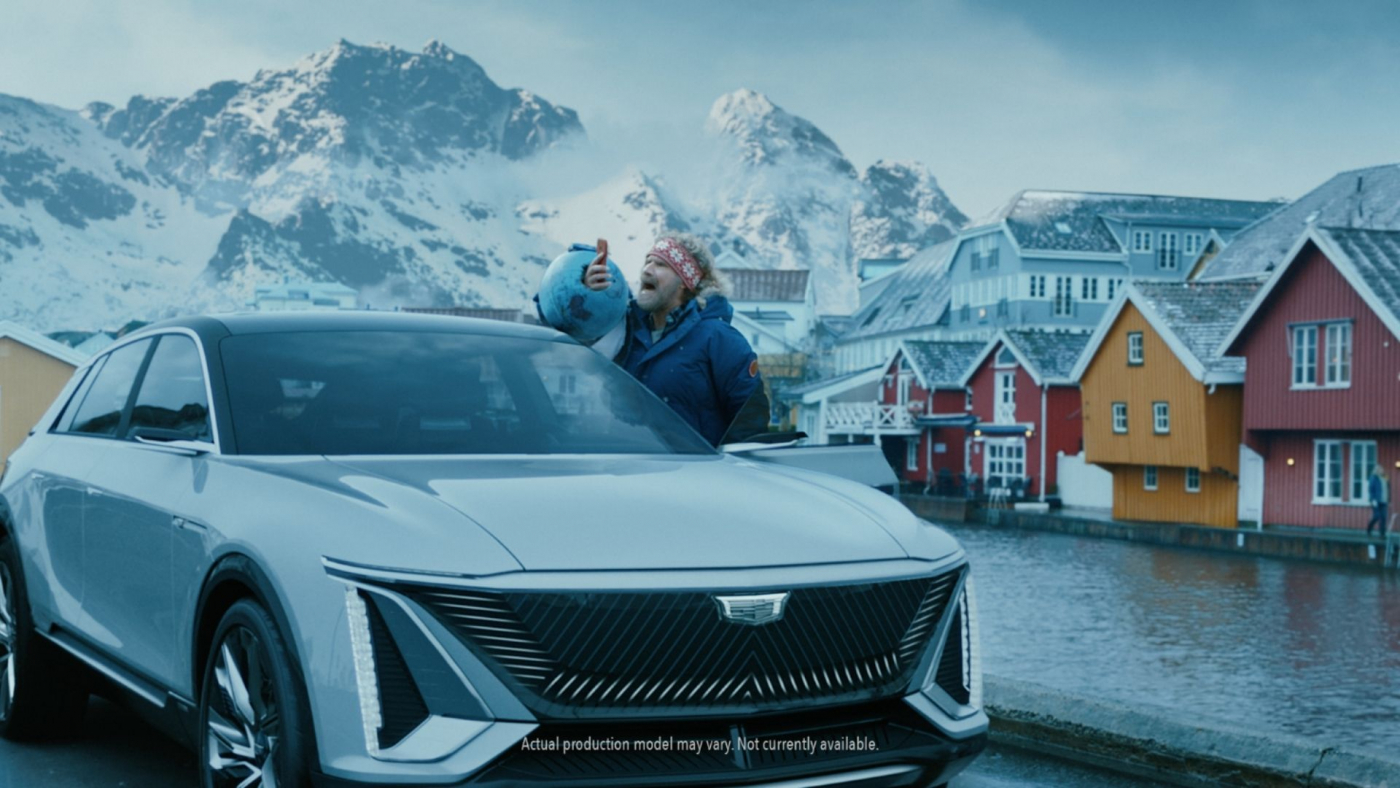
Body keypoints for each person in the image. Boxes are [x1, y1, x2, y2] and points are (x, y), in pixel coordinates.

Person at [561, 233, 770, 446]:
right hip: (627, 468)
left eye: (661, 264)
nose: (647, 270)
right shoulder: (624, 330)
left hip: (692, 474)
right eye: (647, 261)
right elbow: (576, 345)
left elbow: (750, 419)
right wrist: (585, 291)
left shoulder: (718, 338)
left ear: (684, 283)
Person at [1366, 465, 1390, 537]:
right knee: (1376, 516)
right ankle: (1369, 529)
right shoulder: (1373, 478)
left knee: (1383, 517)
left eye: (1381, 469)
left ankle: (1382, 534)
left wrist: (1389, 500)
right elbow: (1371, 489)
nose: (1381, 471)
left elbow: (1388, 489)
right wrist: (1373, 499)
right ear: (1376, 470)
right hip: (1376, 500)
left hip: (1384, 501)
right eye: (1379, 469)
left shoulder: (1385, 477)